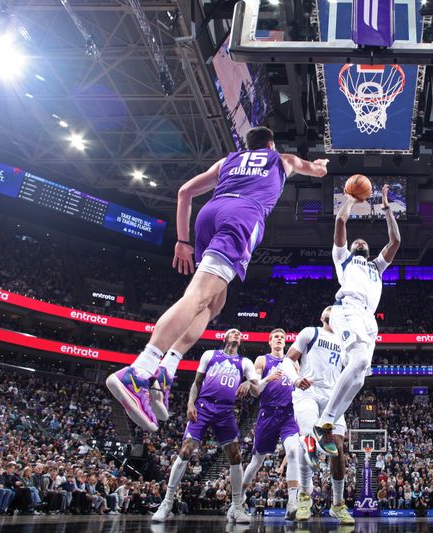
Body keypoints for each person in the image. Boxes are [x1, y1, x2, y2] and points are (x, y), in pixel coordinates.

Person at [106, 126, 329, 432]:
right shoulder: (281, 158)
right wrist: (319, 168)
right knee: (197, 297)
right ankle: (140, 370)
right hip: (242, 216)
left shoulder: (227, 161)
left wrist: (182, 240)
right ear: (270, 144)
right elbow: (313, 170)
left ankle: (166, 370)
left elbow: (185, 192)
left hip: (210, 214)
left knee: (214, 303)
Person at [313, 185, 401, 454]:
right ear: (351, 248)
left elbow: (395, 241)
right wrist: (350, 200)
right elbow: (340, 221)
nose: (360, 242)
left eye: (364, 243)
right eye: (356, 242)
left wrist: (387, 209)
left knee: (360, 377)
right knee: (360, 360)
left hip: (368, 319)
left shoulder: (376, 265)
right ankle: (325, 421)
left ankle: (327, 420)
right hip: (347, 308)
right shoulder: (343, 258)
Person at [151, 329, 258, 524]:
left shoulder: (245, 362)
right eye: (232, 332)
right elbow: (197, 382)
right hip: (203, 406)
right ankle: (166, 503)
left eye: (239, 334)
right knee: (186, 450)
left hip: (226, 411)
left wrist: (249, 384)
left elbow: (257, 388)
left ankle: (236, 507)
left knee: (235, 456)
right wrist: (190, 403)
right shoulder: (210, 355)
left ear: (241, 342)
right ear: (225, 338)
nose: (236, 334)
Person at [278, 306, 354, 524]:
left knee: (337, 446)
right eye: (328, 308)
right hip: (307, 392)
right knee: (310, 438)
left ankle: (337, 505)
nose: (332, 309)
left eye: (335, 309)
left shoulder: (345, 342)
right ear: (322, 316)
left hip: (332, 397)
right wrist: (295, 379)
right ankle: (304, 496)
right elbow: (287, 360)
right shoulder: (310, 332)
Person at [242, 329, 303, 521]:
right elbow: (255, 391)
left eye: (282, 338)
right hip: (267, 414)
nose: (279, 339)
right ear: (270, 341)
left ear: (285, 343)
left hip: (288, 415)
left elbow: (300, 387)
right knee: (257, 461)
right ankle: (239, 497)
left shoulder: (293, 362)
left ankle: (292, 502)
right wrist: (268, 378)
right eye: (276, 337)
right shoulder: (261, 360)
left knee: (293, 451)